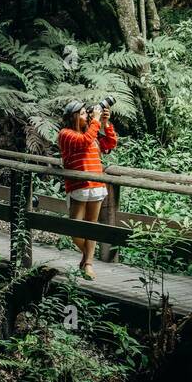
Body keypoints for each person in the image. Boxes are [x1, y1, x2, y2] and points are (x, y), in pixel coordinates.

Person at [57, 100, 118, 279]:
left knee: (92, 226)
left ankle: (88, 264)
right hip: (78, 185)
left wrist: (105, 123)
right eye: (83, 113)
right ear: (74, 116)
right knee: (75, 229)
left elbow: (110, 144)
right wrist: (96, 121)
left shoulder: (91, 135)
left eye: (87, 113)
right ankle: (87, 257)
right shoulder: (66, 134)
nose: (87, 116)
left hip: (96, 185)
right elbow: (84, 141)